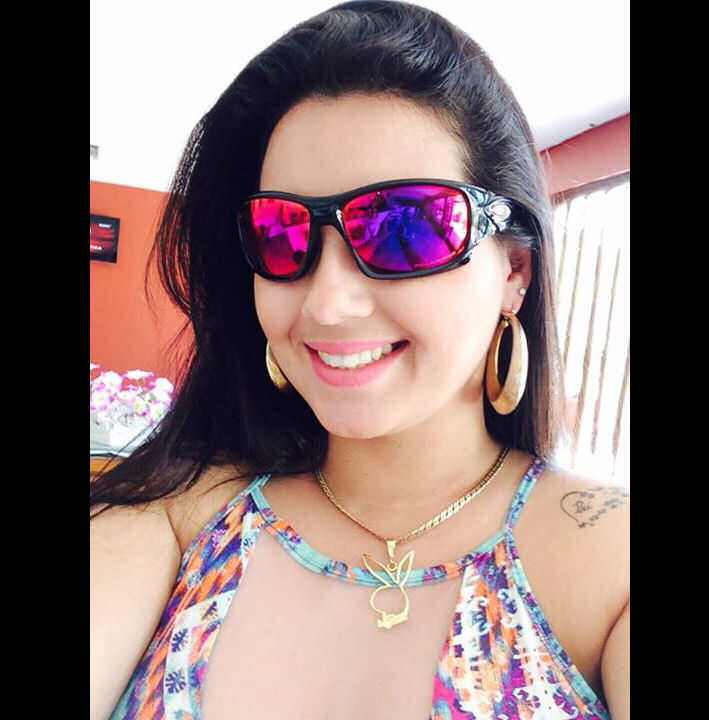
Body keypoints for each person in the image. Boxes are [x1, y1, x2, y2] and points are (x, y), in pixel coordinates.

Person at [90, 2, 629, 718]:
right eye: (281, 234)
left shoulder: (609, 567)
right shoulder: (174, 518)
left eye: (405, 227)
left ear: (514, 270)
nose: (327, 303)